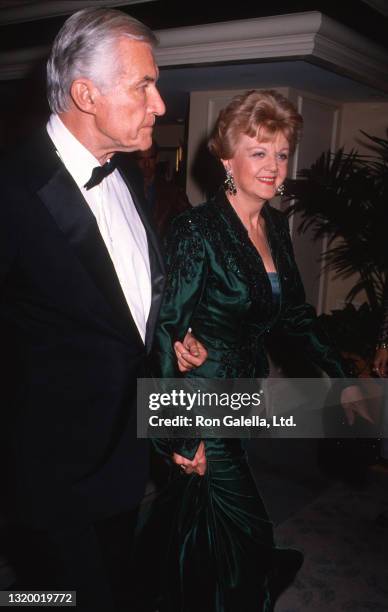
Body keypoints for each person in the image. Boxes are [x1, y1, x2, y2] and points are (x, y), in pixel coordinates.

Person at [0, 8, 207, 611]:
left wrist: (174, 427)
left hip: (124, 467)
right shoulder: (11, 189)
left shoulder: (132, 181)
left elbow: (134, 332)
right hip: (47, 479)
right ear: (85, 94)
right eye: (144, 84)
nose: (161, 104)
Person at [142, 89, 372, 612]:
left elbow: (294, 317)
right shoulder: (197, 229)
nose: (273, 167)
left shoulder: (274, 228)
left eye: (282, 153)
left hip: (243, 396)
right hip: (199, 402)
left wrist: (344, 375)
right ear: (228, 159)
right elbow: (165, 329)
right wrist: (176, 434)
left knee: (200, 520)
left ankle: (175, 590)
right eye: (258, 151)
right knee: (251, 532)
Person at [133, 140, 191, 236]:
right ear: (135, 161)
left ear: (156, 159)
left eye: (150, 158)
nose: (146, 164)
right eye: (141, 159)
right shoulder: (127, 190)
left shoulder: (173, 191)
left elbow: (190, 218)